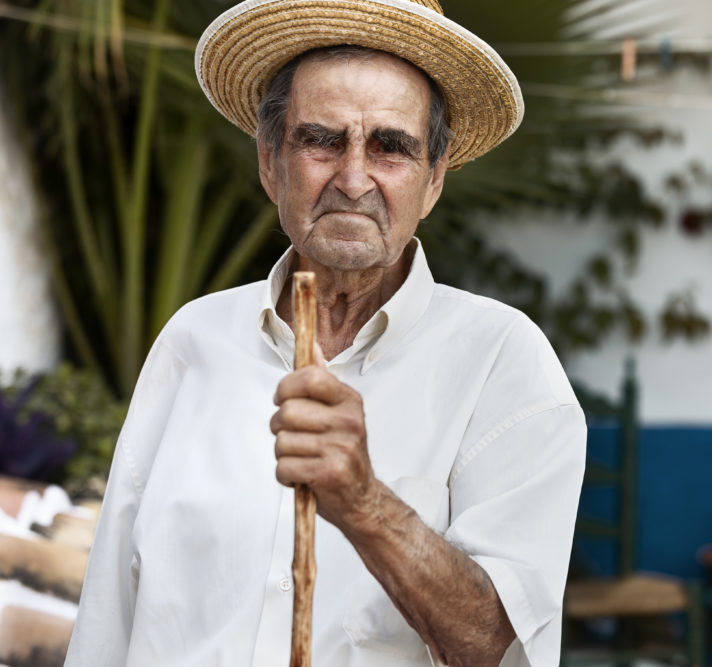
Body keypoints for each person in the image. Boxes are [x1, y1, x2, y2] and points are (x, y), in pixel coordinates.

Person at [64, 1, 586, 666]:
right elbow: (109, 613)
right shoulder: (192, 341)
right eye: (322, 139)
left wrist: (364, 502)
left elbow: (495, 645)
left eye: (391, 147)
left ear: (434, 179)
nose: (353, 178)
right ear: (269, 162)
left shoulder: (504, 364)